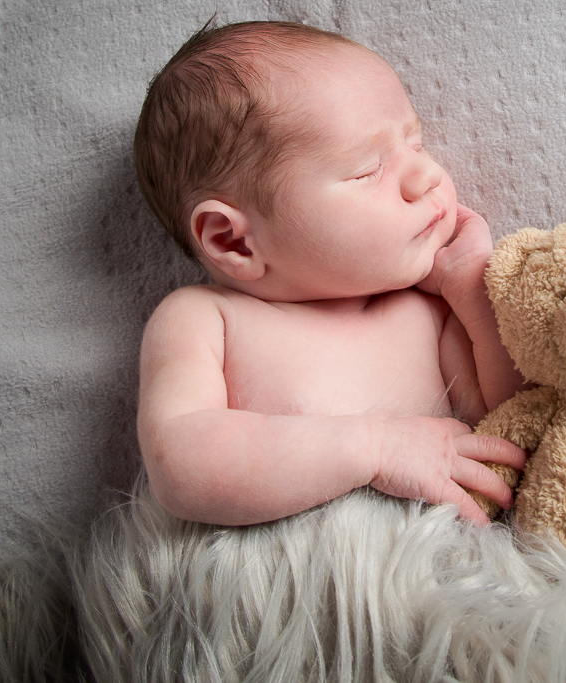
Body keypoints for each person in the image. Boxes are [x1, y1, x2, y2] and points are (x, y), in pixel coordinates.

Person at [133, 20, 527, 528]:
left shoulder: (427, 311)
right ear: (233, 240)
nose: (427, 176)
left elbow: (511, 425)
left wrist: (472, 286)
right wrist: (374, 448)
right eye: (367, 169)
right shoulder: (205, 319)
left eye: (417, 143)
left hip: (437, 577)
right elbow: (181, 467)